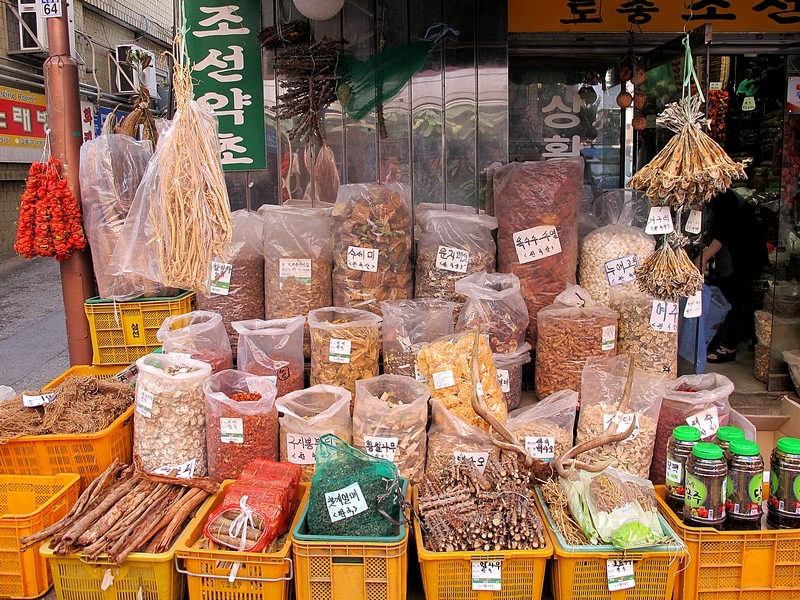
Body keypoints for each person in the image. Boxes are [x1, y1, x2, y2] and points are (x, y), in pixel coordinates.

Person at [701, 189, 769, 363]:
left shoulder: (725, 198)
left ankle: (729, 347)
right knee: (742, 298)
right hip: (734, 257)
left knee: (734, 299)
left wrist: (704, 257)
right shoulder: (715, 197)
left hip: (742, 256)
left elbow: (723, 233)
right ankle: (755, 338)